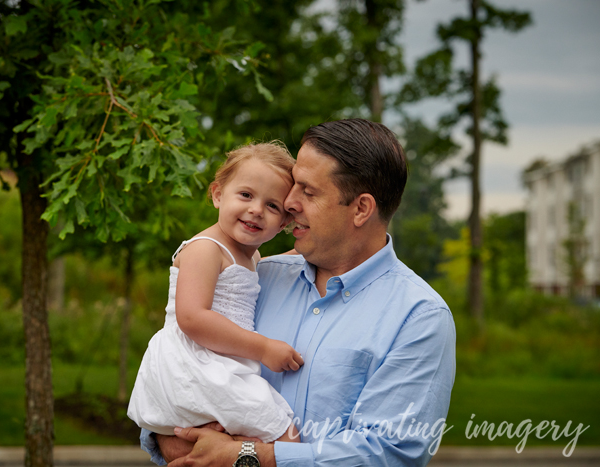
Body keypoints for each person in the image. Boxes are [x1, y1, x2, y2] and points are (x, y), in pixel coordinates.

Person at [142, 119, 456, 467]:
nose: (288, 203)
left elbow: (389, 454)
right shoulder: (254, 277)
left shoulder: (418, 317)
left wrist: (247, 457)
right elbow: (179, 379)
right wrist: (179, 440)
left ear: (361, 209)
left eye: (307, 191)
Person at [128, 142, 305, 445]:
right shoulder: (205, 249)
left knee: (254, 442)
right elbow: (192, 318)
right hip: (197, 365)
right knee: (286, 438)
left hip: (219, 365)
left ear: (284, 222)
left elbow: (281, 263)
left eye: (272, 205)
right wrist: (263, 348)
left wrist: (315, 253)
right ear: (218, 194)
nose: (256, 210)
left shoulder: (251, 256)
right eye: (246, 195)